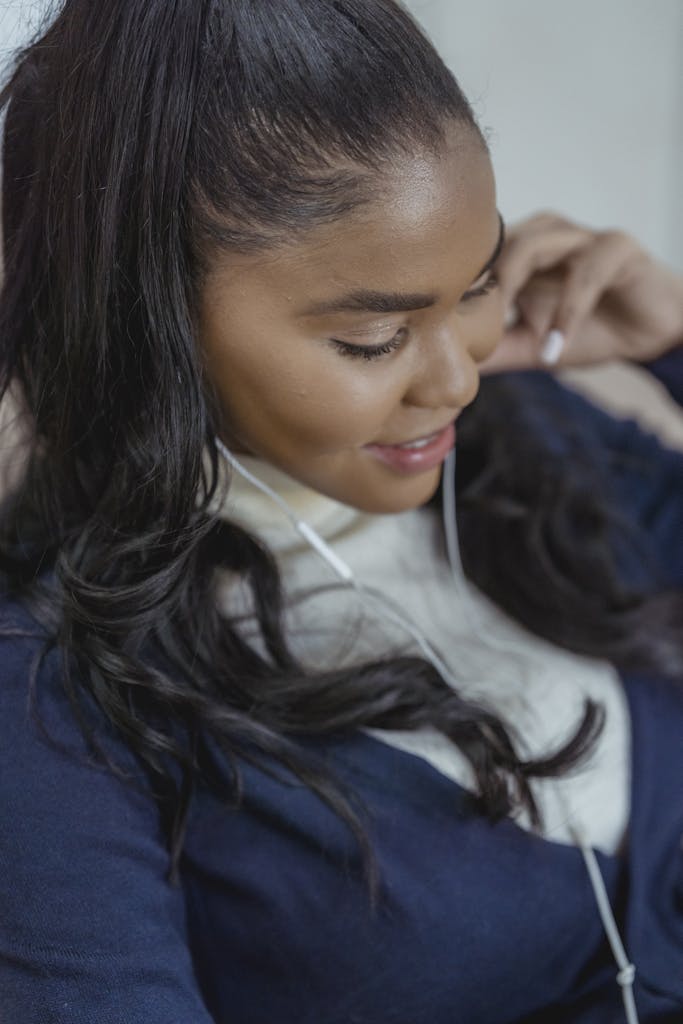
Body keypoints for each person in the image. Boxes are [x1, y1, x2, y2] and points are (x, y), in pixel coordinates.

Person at [0, 1, 681, 1022]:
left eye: (477, 283)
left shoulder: (535, 440)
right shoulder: (53, 696)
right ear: (149, 325)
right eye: (372, 338)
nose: (455, 380)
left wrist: (672, 349)